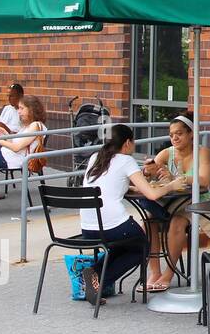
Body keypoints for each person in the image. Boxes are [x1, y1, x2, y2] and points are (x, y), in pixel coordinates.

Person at [77, 124, 180, 306]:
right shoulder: (126, 160)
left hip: (88, 227)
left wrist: (133, 186)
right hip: (112, 224)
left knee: (124, 245)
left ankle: (93, 275)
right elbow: (153, 195)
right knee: (141, 246)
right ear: (126, 143)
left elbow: (110, 185)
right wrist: (172, 185)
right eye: (133, 142)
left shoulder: (95, 158)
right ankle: (98, 277)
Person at [140, 113, 210, 292]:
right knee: (148, 221)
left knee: (177, 222)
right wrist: (148, 171)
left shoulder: (201, 152)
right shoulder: (167, 153)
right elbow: (151, 170)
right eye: (171, 135)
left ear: (191, 134)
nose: (174, 138)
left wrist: (177, 178)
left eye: (179, 133)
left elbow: (204, 180)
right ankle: (155, 272)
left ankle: (168, 274)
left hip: (197, 203)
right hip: (171, 203)